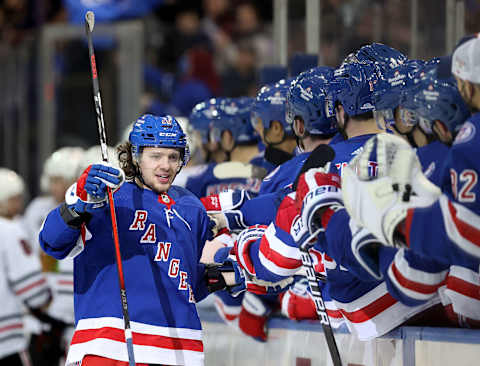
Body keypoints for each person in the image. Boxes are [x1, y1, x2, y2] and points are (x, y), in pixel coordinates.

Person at [39, 115, 241, 365]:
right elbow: (52, 243)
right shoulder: (107, 195)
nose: (165, 165)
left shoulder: (191, 207)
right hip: (108, 348)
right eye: (155, 156)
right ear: (135, 156)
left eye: (173, 157)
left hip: (180, 350)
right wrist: (80, 204)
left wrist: (222, 275)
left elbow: (184, 284)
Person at [0, 168, 61, 365]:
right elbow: (31, 289)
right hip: (7, 340)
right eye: (15, 198)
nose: (19, 203)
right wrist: (46, 302)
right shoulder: (10, 231)